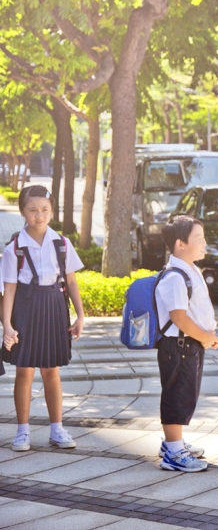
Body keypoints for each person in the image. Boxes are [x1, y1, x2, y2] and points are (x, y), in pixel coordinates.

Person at [2, 185, 85, 451]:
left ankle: (57, 429)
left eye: (45, 210)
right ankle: (22, 432)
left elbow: (71, 283)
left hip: (54, 307)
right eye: (33, 210)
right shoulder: (14, 248)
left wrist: (80, 315)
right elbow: (10, 288)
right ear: (23, 212)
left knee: (52, 370)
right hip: (24, 308)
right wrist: (7, 325)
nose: (40, 215)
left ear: (52, 210)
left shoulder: (62, 243)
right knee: (24, 371)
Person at [154, 215, 218, 472]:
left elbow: (196, 312)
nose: (205, 243)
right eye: (199, 238)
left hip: (189, 346)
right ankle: (173, 452)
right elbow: (179, 317)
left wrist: (208, 336)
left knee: (186, 393)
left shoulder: (190, 269)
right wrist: (204, 336)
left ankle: (174, 443)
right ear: (180, 244)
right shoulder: (175, 276)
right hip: (178, 347)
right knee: (176, 396)